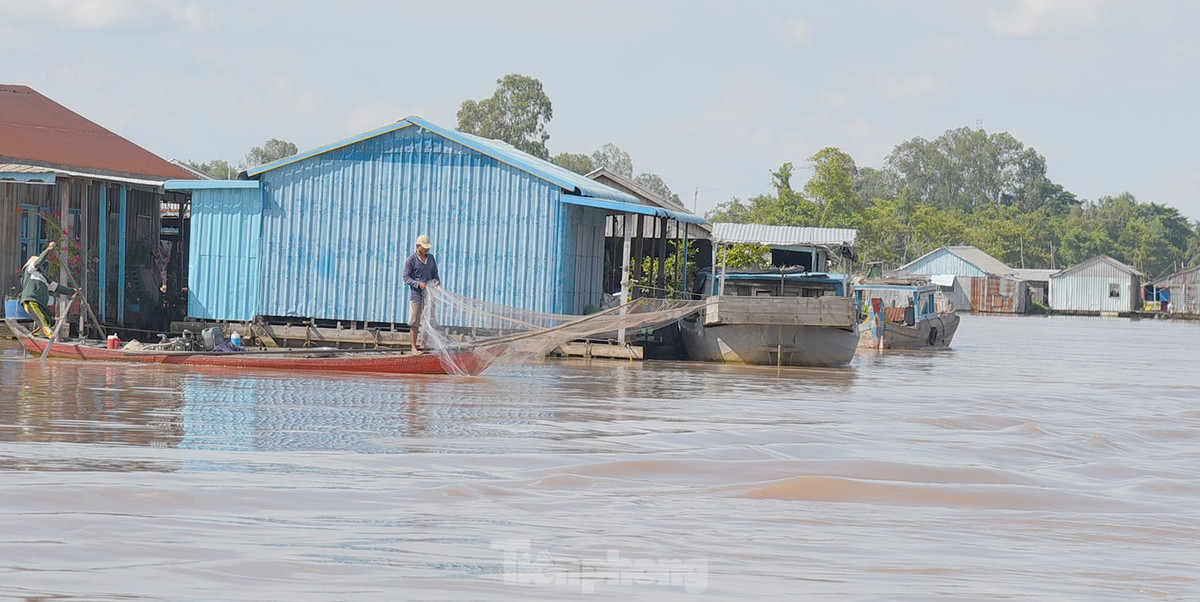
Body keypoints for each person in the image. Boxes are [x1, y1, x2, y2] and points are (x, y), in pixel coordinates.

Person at [20, 241, 75, 338]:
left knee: (50, 320)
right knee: (43, 321)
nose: (41, 267)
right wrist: (48, 250)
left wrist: (72, 291)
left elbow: (57, 288)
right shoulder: (30, 270)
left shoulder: (44, 279)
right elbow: (38, 262)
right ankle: (53, 338)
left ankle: (36, 334)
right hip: (31, 300)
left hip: (41, 304)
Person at [402, 234, 440, 354]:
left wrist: (437, 281)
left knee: (428, 321)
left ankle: (423, 345)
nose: (427, 249)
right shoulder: (411, 260)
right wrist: (418, 284)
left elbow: (435, 273)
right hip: (416, 296)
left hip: (429, 295)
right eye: (424, 247)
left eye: (428, 247)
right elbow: (406, 278)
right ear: (418, 246)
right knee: (415, 322)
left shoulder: (431, 258)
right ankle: (413, 347)